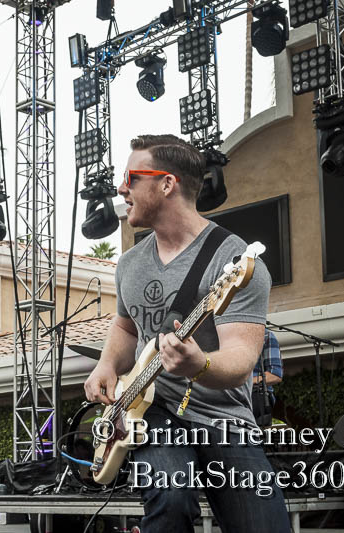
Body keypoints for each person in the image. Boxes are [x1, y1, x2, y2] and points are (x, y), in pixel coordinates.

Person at [84, 135, 290, 532]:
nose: (121, 188)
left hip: (223, 417)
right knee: (171, 497)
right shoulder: (129, 264)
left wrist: (200, 364)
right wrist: (106, 364)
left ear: (167, 184)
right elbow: (126, 326)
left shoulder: (235, 261)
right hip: (153, 411)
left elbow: (241, 359)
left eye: (131, 177)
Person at [252, 330, 283, 424]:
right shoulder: (222, 336)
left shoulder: (265, 335)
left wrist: (244, 383)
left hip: (255, 394)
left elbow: (275, 375)